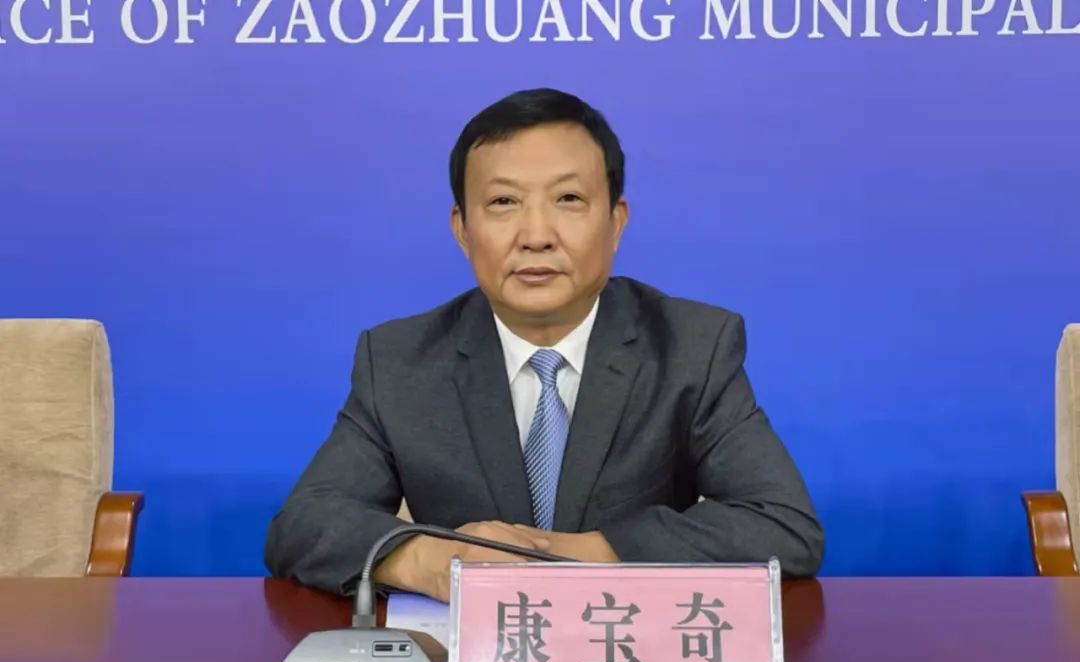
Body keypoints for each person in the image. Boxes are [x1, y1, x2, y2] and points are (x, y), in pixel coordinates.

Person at [265, 88, 823, 601]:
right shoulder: (399, 361)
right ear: (462, 230)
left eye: (569, 198)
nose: (536, 236)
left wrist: (578, 556)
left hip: (629, 654)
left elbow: (781, 524)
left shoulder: (691, 348)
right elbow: (304, 524)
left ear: (615, 222)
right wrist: (435, 561)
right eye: (504, 202)